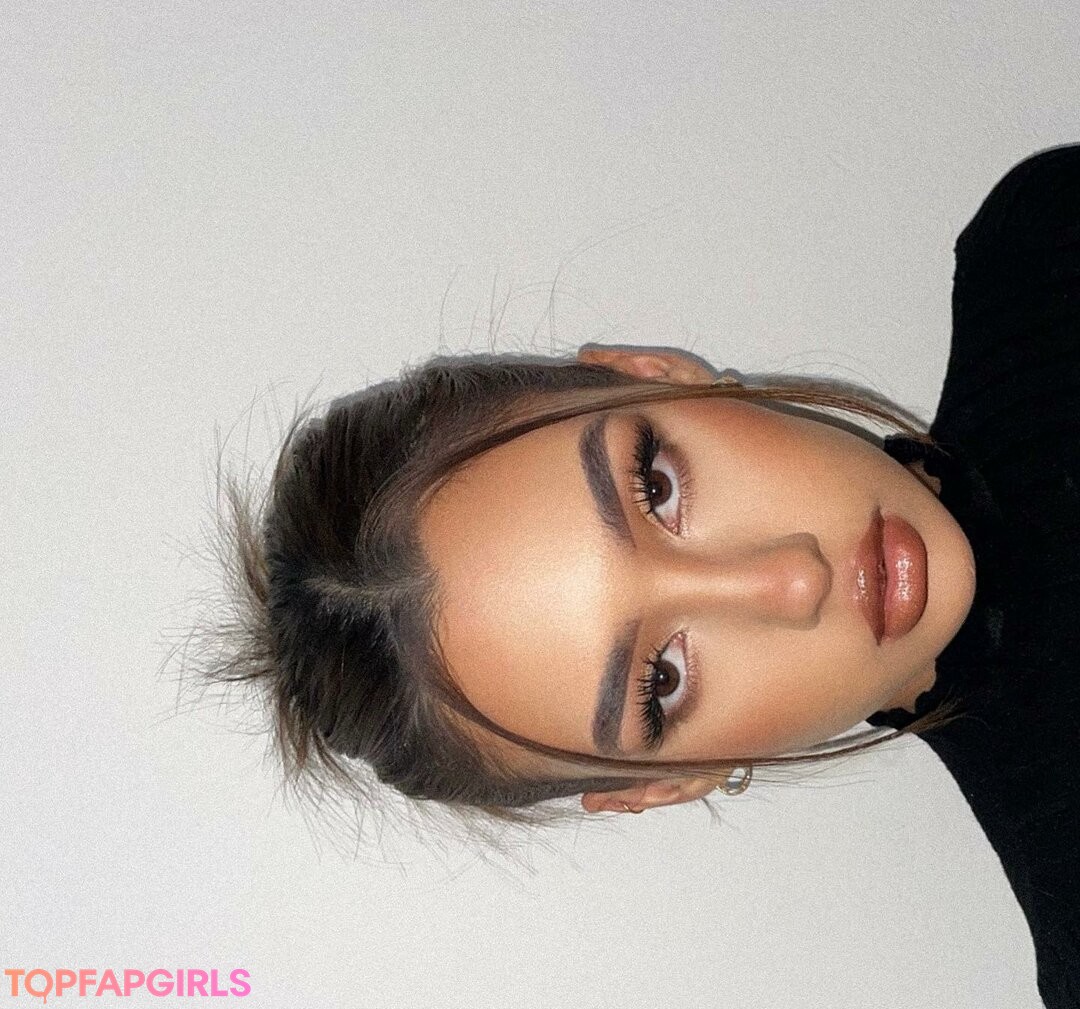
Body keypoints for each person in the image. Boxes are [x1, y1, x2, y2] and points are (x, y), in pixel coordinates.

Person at [199, 144, 1080, 1006]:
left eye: (655, 486)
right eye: (662, 682)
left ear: (655, 373)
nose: (793, 581)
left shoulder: (1045, 243)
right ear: (667, 785)